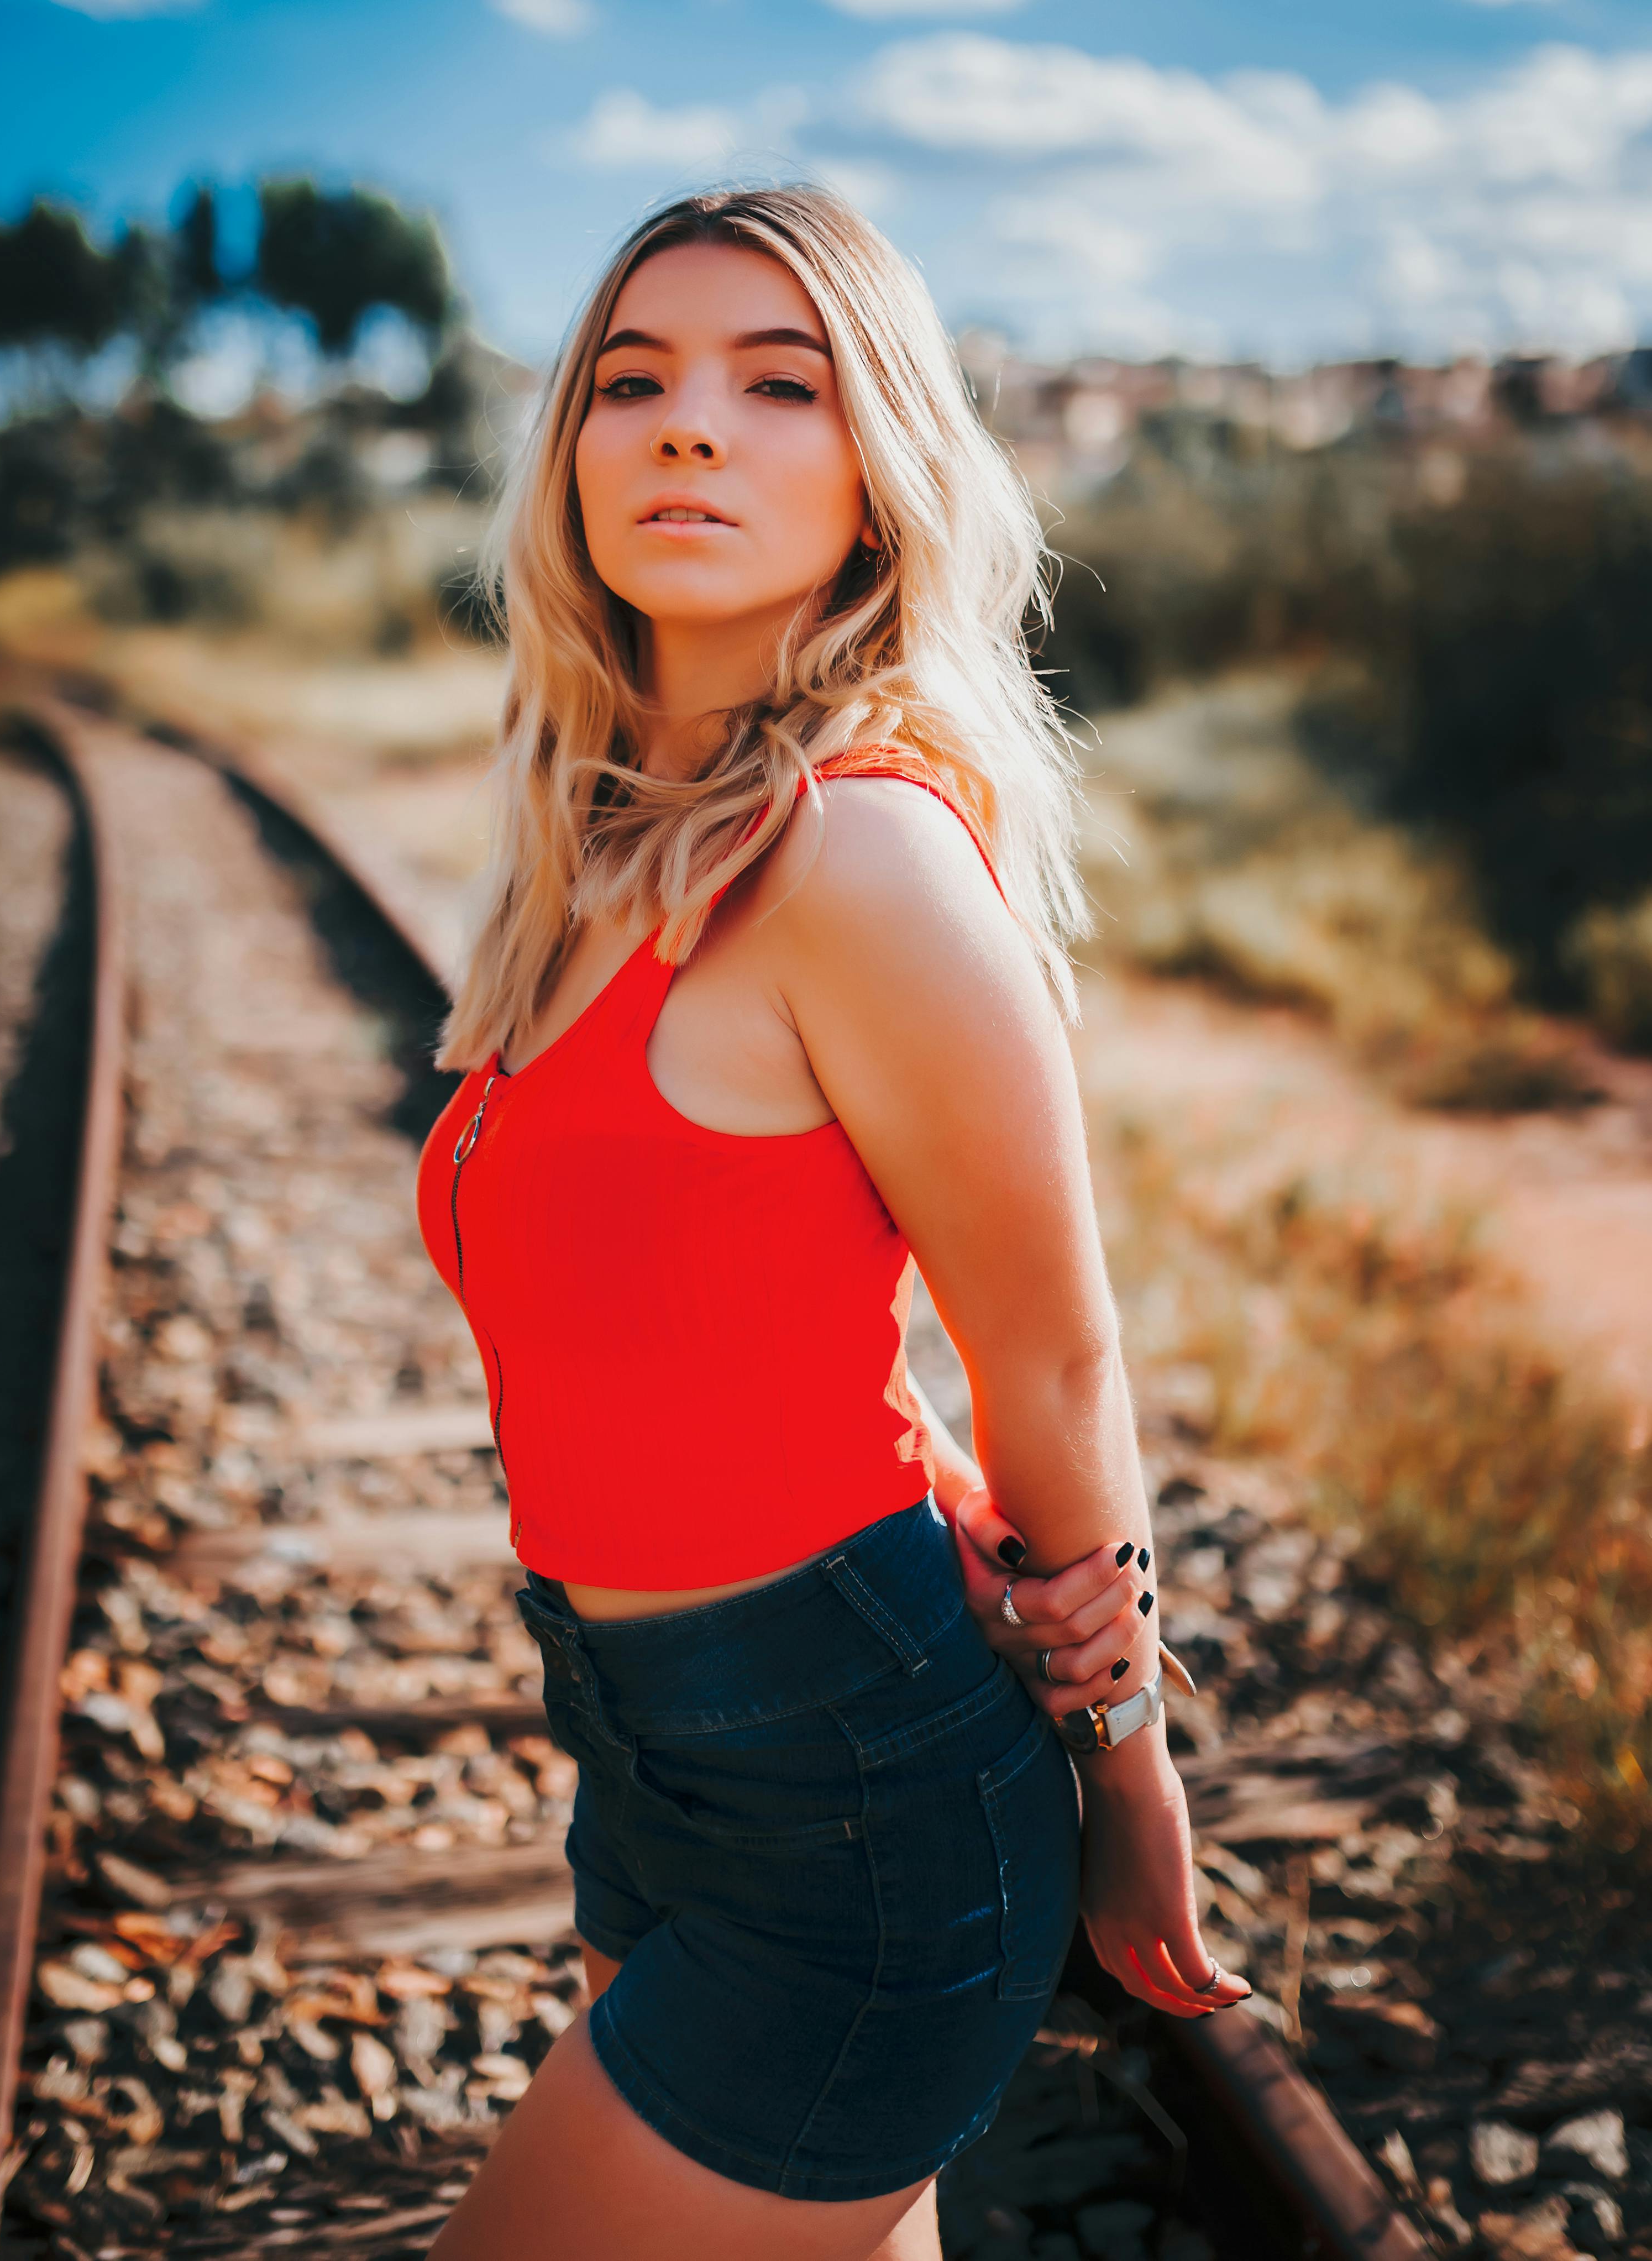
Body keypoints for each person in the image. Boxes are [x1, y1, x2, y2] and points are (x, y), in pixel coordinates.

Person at [416, 185, 1248, 2261]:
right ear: (574, 457)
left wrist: (1132, 1790)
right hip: (648, 1755)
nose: (688, 426)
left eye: (776, 385)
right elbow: (715, 1287)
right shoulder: (595, 852)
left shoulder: (858, 860)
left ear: (878, 480)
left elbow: (1051, 1349)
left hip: (854, 1802)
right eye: (634, 380)